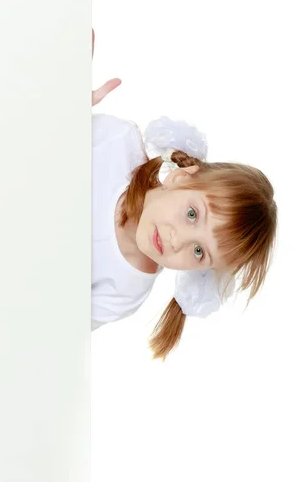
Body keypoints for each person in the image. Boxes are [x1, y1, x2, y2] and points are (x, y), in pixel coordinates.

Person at [91, 30, 278, 361]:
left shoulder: (126, 291)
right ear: (181, 177)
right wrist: (57, 108)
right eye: (193, 214)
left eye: (198, 251)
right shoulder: (115, 143)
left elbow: (46, 328)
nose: (178, 242)